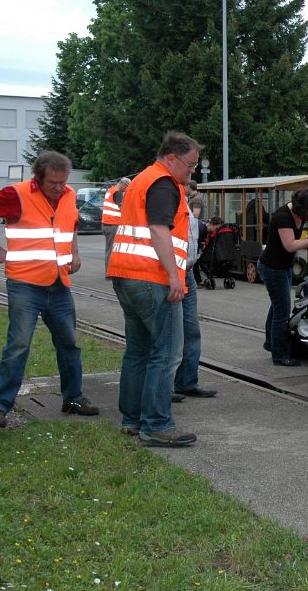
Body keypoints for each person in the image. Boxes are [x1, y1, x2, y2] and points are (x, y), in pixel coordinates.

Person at [0, 151, 99, 427]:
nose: (59, 188)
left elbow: (71, 225)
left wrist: (75, 253)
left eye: (63, 182)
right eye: (53, 183)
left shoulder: (67, 195)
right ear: (38, 178)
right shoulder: (16, 194)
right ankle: (0, 406)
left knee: (69, 342)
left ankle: (73, 398)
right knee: (18, 344)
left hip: (58, 284)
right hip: (25, 284)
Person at [108, 130, 200, 446]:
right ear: (171, 158)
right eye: (189, 165)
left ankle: (132, 419)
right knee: (167, 352)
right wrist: (175, 277)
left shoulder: (143, 180)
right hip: (152, 278)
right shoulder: (163, 184)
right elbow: (159, 230)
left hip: (126, 273)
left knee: (138, 350)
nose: (192, 171)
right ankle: (157, 425)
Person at [258, 188, 308, 366]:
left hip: (283, 267)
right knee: (282, 311)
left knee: (277, 306)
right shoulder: (282, 217)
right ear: (303, 206)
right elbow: (290, 245)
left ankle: (270, 343)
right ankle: (280, 355)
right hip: (272, 268)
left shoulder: (304, 211)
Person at [173, 180, 217, 400]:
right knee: (169, 334)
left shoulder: (187, 204)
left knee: (191, 330)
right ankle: (165, 386)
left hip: (187, 270)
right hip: (171, 272)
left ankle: (187, 382)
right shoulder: (164, 198)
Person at [101, 176, 130, 274]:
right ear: (123, 184)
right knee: (112, 249)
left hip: (106, 224)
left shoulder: (110, 190)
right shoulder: (117, 193)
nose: (126, 190)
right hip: (112, 224)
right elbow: (123, 208)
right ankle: (110, 272)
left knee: (109, 248)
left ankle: (110, 270)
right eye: (126, 188)